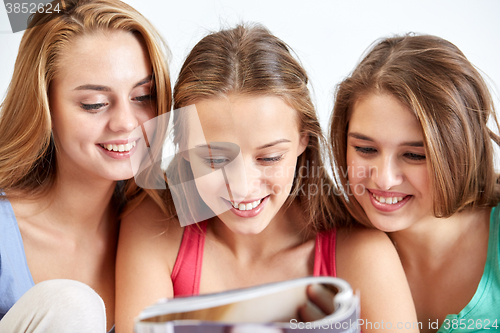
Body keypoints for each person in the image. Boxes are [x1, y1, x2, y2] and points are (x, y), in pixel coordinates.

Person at [116, 24, 418, 333]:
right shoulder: (154, 224)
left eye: (269, 158)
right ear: (181, 146)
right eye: (215, 160)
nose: (243, 187)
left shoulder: (363, 255)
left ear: (304, 139)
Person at [0, 0, 171, 331]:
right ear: (44, 107)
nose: (125, 123)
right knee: (70, 306)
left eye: (143, 96)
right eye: (95, 104)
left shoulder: (162, 217)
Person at [329, 34, 500, 333]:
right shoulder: (327, 244)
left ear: (460, 151)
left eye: (414, 155)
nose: (384, 178)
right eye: (366, 149)